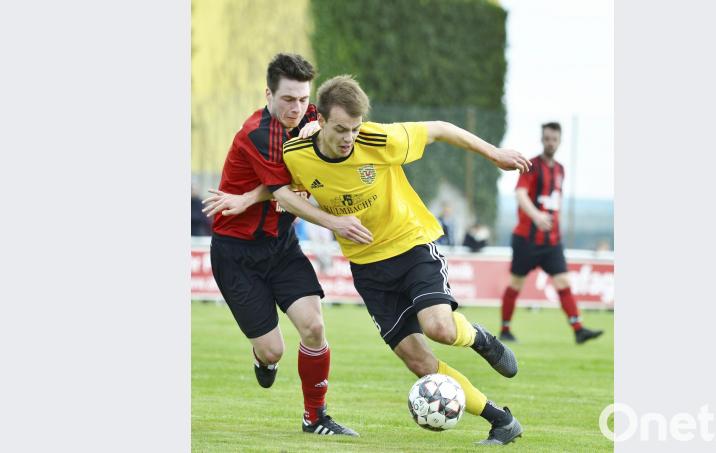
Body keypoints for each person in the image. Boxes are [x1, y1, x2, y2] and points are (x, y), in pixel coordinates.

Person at [205, 75, 531, 445]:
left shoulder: (380, 139)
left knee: (439, 327)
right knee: (418, 362)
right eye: (341, 129)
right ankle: (501, 420)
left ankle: (481, 339)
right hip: (368, 269)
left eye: (355, 129)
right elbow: (282, 185)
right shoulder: (298, 153)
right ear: (321, 122)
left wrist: (495, 154)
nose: (349, 138)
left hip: (411, 246)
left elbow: (440, 129)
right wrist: (248, 198)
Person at [203, 54, 371, 437]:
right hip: (236, 253)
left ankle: (315, 418)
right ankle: (262, 357)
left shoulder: (315, 115)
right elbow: (289, 192)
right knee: (274, 350)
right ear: (268, 94)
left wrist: (248, 197)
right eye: (287, 100)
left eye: (301, 99)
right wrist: (335, 223)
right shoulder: (256, 134)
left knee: (313, 327)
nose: (297, 108)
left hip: (281, 245)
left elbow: (332, 142)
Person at [498, 122, 604, 344]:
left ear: (559, 141)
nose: (550, 142)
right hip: (526, 239)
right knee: (516, 283)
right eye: (547, 138)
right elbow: (520, 193)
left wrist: (557, 225)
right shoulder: (531, 166)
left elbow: (556, 203)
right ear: (542, 139)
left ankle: (578, 329)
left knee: (563, 282)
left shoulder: (560, 170)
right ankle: (505, 329)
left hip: (552, 242)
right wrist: (536, 215)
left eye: (554, 139)